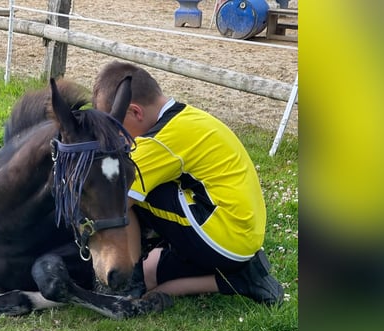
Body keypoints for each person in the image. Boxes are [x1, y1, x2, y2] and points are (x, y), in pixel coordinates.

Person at [92, 61, 284, 305]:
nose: (117, 140)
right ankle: (242, 278)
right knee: (153, 274)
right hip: (240, 235)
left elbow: (112, 200)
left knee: (124, 184)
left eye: (116, 131)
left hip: (221, 238)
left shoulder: (158, 142)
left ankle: (131, 287)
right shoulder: (185, 117)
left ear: (135, 112)